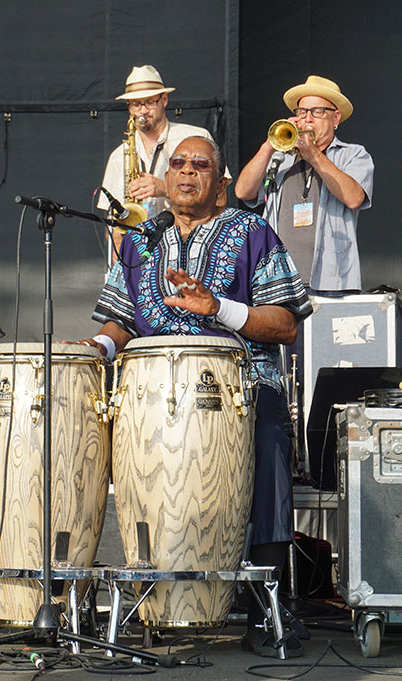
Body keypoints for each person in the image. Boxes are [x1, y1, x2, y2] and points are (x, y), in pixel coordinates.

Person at [73, 136, 312, 657]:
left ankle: (268, 604)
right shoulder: (142, 239)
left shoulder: (253, 234)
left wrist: (217, 308)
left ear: (220, 183)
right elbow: (122, 320)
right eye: (177, 164)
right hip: (152, 392)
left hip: (241, 387)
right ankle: (143, 592)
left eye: (199, 165)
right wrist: (96, 346)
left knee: (269, 436)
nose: (185, 173)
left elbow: (287, 324)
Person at [234, 75, 374, 473]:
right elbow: (243, 192)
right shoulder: (280, 157)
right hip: (280, 291)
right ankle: (286, 462)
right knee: (282, 379)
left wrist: (314, 156)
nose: (305, 119)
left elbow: (352, 196)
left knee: (322, 381)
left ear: (335, 118)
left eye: (315, 112)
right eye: (300, 111)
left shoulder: (353, 155)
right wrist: (268, 145)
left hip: (332, 288)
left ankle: (326, 464)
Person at [98, 65, 231, 222]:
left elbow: (220, 198)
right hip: (141, 243)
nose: (143, 111)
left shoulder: (196, 138)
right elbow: (112, 222)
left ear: (164, 100)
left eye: (149, 102)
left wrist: (165, 189)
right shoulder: (118, 156)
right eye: (136, 104)